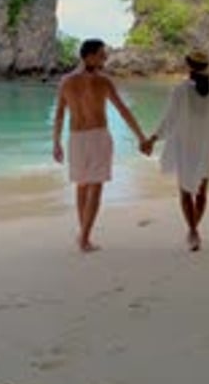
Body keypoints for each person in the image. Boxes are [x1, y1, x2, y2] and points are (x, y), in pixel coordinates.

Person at [53, 38, 149, 252]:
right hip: (94, 136)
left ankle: (84, 235)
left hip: (79, 138)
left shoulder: (69, 81)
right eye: (101, 55)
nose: (105, 58)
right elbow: (123, 110)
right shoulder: (96, 82)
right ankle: (85, 236)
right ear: (88, 56)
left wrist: (57, 142)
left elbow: (122, 110)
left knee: (84, 185)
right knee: (91, 186)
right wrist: (56, 143)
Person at [144, 48, 209, 251]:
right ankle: (194, 230)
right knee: (202, 192)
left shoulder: (180, 90)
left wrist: (153, 138)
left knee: (185, 192)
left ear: (188, 65)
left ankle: (193, 230)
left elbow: (168, 120)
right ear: (206, 66)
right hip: (205, 148)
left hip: (184, 148)